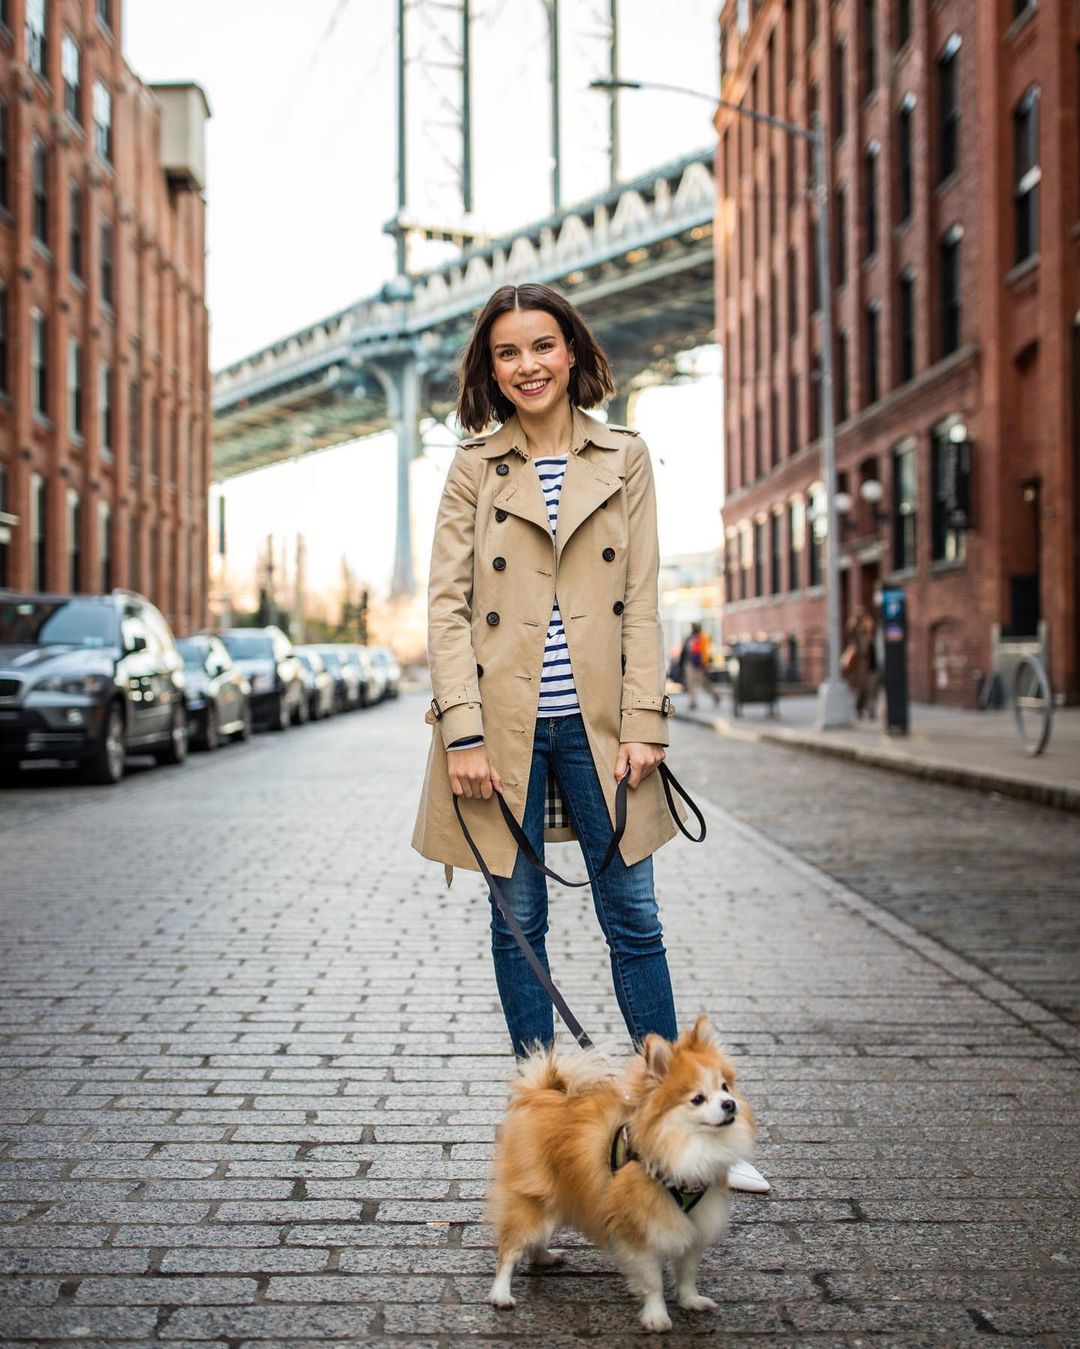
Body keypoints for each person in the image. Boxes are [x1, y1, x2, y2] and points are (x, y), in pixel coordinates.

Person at [411, 282, 768, 1193]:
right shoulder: (473, 469)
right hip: (500, 727)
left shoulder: (626, 455)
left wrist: (647, 720)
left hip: (605, 727)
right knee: (519, 920)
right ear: (489, 371)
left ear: (572, 351)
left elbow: (642, 599)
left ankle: (687, 1133)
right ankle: (543, 1138)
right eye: (506, 353)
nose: (526, 365)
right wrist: (461, 734)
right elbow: (447, 608)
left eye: (542, 345)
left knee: (634, 920)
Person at [680, 621, 721, 710]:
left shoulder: (703, 637)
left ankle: (715, 696)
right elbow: (684, 652)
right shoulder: (689, 638)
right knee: (690, 683)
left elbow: (707, 652)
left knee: (704, 683)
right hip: (689, 664)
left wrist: (706, 663)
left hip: (700, 665)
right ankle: (692, 702)